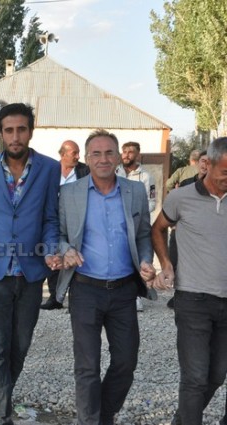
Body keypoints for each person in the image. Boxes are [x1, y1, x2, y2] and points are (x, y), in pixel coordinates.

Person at [0, 103, 61, 425]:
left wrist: (50, 249)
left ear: (31, 131)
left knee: (20, 346)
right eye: (9, 130)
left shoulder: (49, 168)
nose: (15, 137)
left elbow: (50, 217)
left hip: (31, 272)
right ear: (1, 133)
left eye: (21, 129)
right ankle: (2, 415)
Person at [55, 129, 156, 425]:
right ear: (87, 159)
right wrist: (65, 249)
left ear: (119, 157)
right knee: (87, 366)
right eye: (96, 154)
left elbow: (144, 235)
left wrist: (146, 260)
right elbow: (57, 234)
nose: (103, 159)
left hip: (124, 291)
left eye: (109, 152)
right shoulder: (70, 193)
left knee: (126, 362)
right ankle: (90, 421)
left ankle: (104, 415)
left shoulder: (134, 191)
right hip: (85, 289)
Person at [151, 137, 227, 425]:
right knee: (195, 377)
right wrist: (166, 264)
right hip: (193, 299)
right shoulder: (180, 198)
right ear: (207, 164)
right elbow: (158, 229)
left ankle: (181, 420)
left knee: (216, 375)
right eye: (225, 172)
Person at [40, 139, 89, 310]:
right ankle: (55, 297)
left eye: (78, 153)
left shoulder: (84, 171)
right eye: (74, 153)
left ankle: (76, 299)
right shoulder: (51, 171)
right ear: (62, 154)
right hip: (53, 217)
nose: (78, 156)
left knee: (75, 255)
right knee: (54, 253)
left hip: (75, 220)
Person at [115, 141, 156, 312]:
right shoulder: (115, 172)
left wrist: (136, 213)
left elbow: (151, 202)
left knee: (138, 259)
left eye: (130, 152)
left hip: (136, 223)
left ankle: (137, 296)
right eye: (124, 151)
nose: (126, 155)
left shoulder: (146, 176)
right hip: (117, 223)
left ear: (138, 154)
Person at [165, 150, 208, 309]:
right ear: (198, 163)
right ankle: (179, 295)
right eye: (203, 161)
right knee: (176, 261)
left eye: (209, 162)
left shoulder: (218, 186)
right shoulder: (186, 183)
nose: (205, 165)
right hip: (182, 231)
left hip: (203, 234)